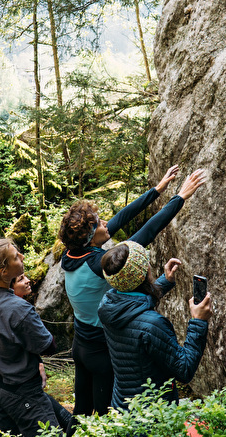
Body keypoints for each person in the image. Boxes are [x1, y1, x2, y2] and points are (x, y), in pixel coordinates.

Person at [58, 165, 208, 416]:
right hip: (98, 347)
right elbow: (147, 232)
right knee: (104, 415)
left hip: (81, 341)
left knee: (82, 411)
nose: (107, 222)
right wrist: (179, 198)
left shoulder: (73, 253)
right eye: (98, 223)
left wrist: (156, 191)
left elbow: (117, 220)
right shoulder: (100, 264)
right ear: (91, 238)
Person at [0, 237, 74, 437]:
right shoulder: (18, 309)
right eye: (15, 257)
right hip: (24, 390)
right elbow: (48, 346)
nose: (21, 257)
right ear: (4, 271)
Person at [97, 241, 211, 409]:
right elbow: (184, 369)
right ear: (145, 271)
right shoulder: (153, 325)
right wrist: (198, 321)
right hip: (153, 415)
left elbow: (134, 301)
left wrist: (164, 281)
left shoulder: (107, 305)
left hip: (123, 405)